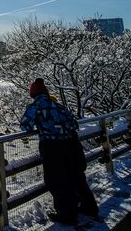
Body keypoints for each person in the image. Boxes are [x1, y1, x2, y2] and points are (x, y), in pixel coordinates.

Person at [20, 78, 99, 225]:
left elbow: (25, 126)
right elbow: (74, 124)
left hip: (51, 147)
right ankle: (89, 208)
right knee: (75, 177)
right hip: (70, 145)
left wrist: (42, 125)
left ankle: (67, 215)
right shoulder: (59, 106)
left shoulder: (35, 106)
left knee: (57, 181)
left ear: (33, 94)